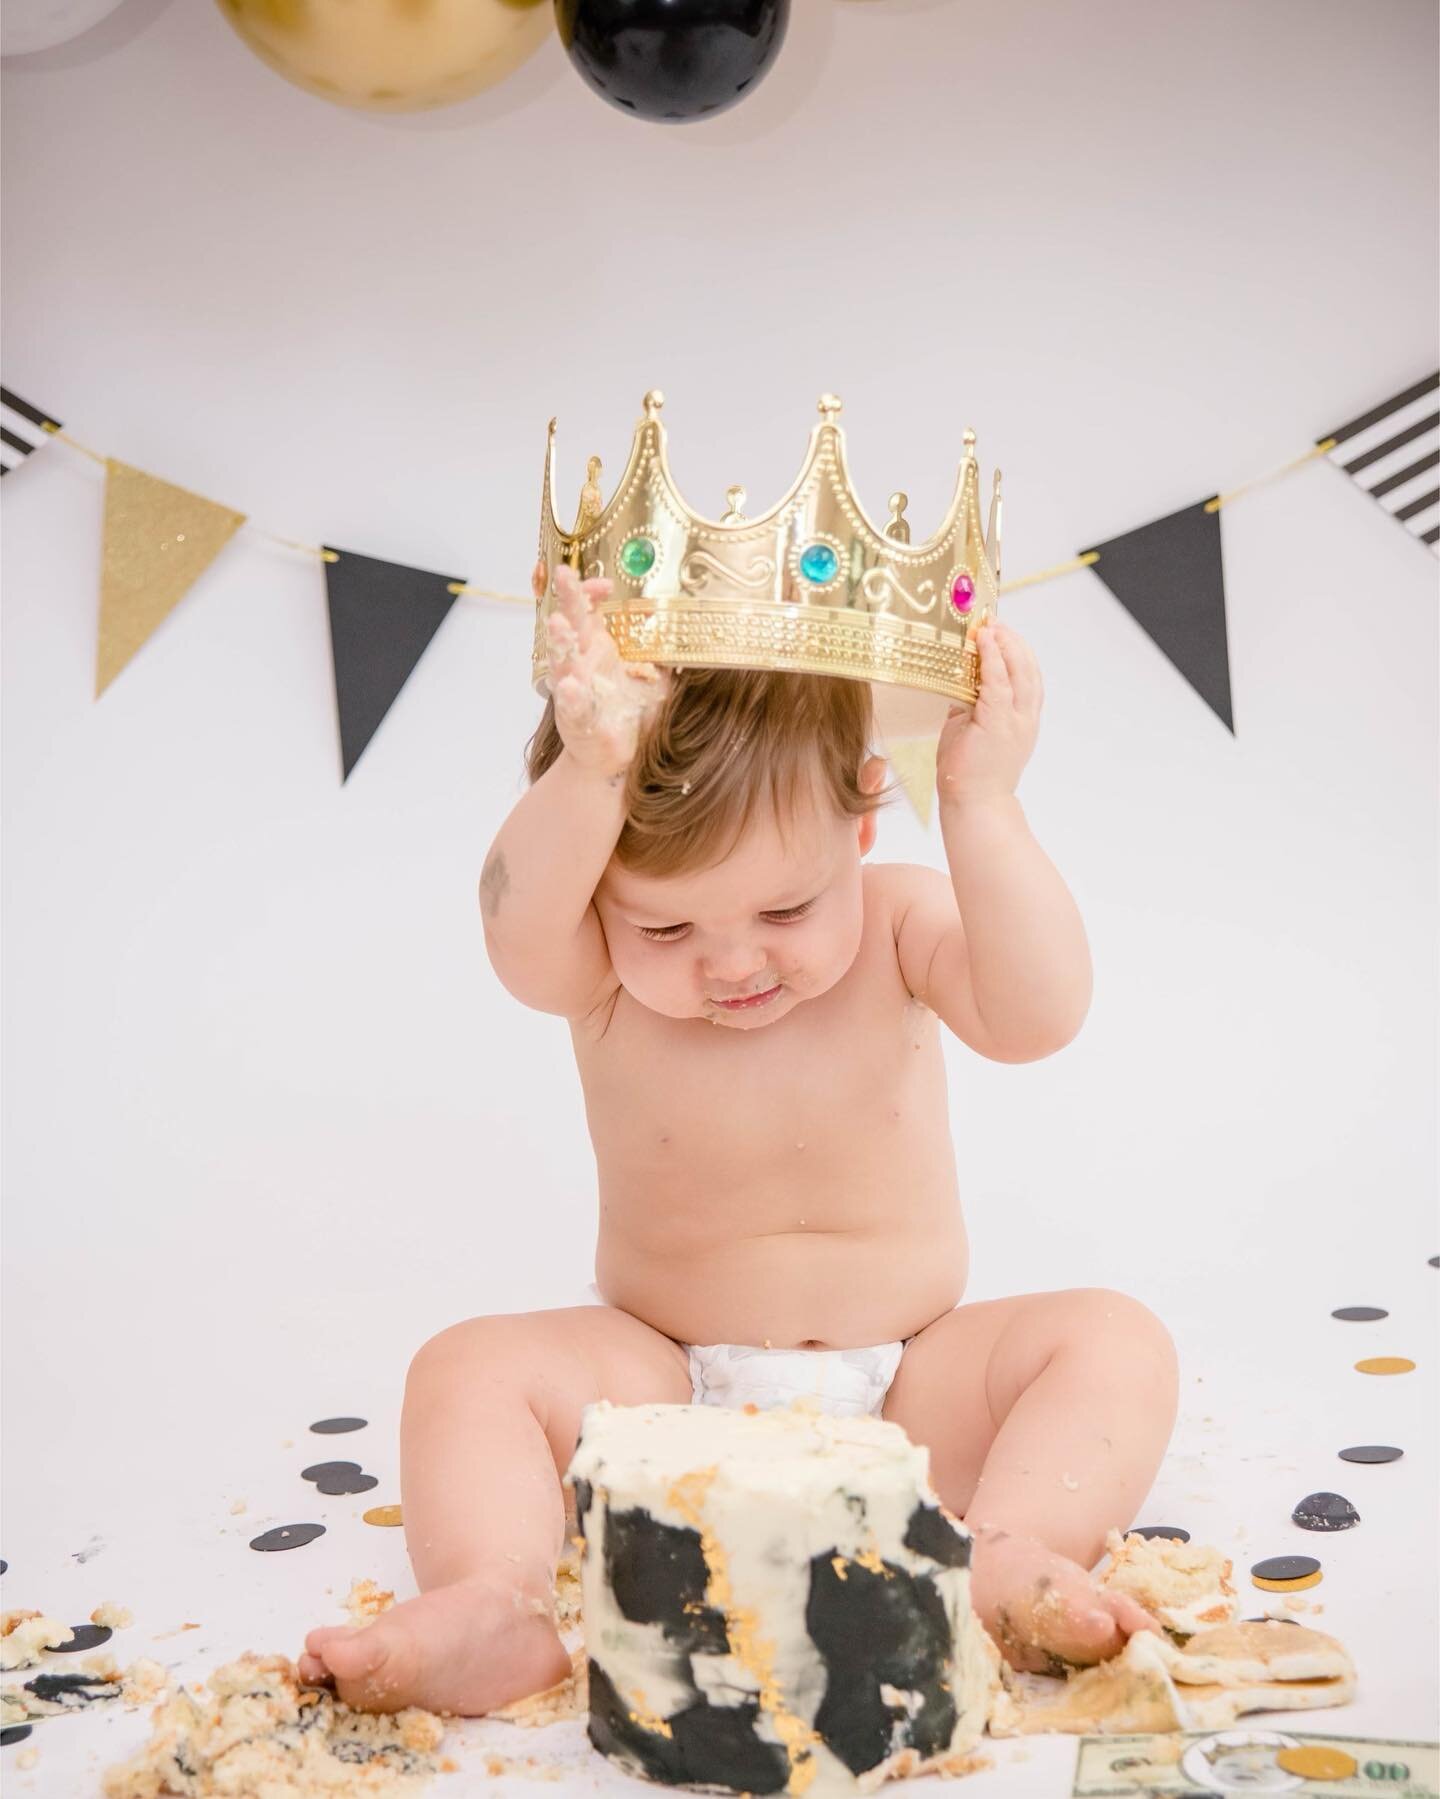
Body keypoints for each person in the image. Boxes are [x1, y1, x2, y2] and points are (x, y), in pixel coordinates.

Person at [301, 563, 1177, 1715]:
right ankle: (495, 1599)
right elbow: (516, 916)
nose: (732, 962)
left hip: (913, 1392)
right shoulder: (594, 969)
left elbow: (1038, 1013)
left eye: (784, 909)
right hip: (663, 1390)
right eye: (667, 920)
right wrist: (592, 766)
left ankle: (1000, 1547)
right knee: (466, 1367)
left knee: (1116, 1340)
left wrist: (983, 806)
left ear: (863, 818)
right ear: (603, 894)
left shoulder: (903, 921)